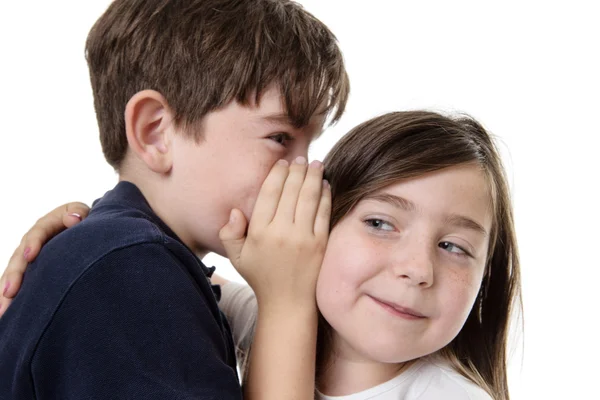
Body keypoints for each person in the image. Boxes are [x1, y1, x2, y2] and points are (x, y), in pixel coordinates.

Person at [2, 111, 522, 399]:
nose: (417, 269)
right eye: (380, 223)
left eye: (455, 247)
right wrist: (82, 226)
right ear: (316, 223)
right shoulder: (262, 315)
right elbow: (168, 271)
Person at [0, 0, 349, 398]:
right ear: (156, 133)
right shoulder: (128, 270)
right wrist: (286, 303)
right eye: (281, 139)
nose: (307, 172)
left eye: (311, 145)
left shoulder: (123, 260)